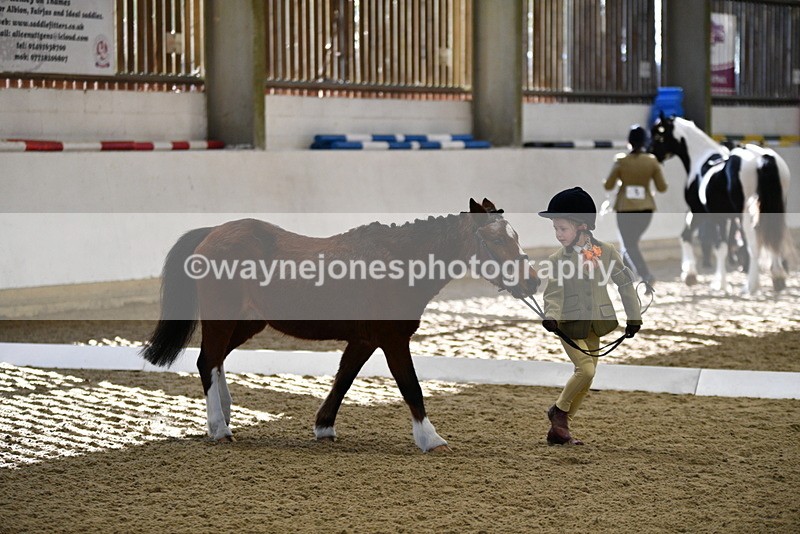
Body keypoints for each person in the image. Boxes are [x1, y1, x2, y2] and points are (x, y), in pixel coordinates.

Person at [539, 187, 642, 445]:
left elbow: (625, 284)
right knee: (584, 369)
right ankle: (559, 412)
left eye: (562, 228)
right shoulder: (556, 259)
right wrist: (550, 315)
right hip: (567, 323)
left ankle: (560, 430)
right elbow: (553, 293)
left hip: (596, 323)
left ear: (582, 227)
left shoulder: (606, 251)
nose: (557, 234)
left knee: (588, 377)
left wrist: (634, 317)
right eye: (555, 228)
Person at [604, 125, 667, 293]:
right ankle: (627, 278)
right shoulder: (651, 161)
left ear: (628, 141)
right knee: (631, 244)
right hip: (646, 209)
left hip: (625, 209)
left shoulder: (620, 160)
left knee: (629, 244)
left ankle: (646, 275)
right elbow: (662, 187)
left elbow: (608, 185)